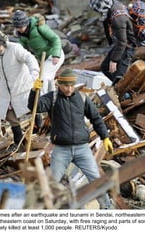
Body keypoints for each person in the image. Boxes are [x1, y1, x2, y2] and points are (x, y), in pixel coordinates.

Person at [27, 68, 114, 209]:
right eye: (66, 85)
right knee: (52, 182)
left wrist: (105, 137)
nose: (69, 89)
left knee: (96, 179)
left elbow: (96, 118)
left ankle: (106, 208)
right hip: (61, 149)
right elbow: (34, 107)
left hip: (82, 149)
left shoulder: (83, 98)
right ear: (59, 84)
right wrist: (34, 92)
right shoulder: (52, 98)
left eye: (72, 85)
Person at [0, 33, 40, 151]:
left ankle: (37, 120)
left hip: (22, 84)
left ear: (3, 44)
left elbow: (29, 58)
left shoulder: (15, 48)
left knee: (30, 106)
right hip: (7, 89)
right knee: (9, 114)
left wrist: (34, 71)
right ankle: (18, 139)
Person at [12, 10, 65, 95]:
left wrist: (56, 55)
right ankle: (52, 101)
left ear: (26, 23)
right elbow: (21, 50)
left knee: (42, 77)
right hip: (44, 59)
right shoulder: (22, 37)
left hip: (54, 55)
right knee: (50, 79)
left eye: (21, 27)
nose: (19, 30)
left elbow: (56, 39)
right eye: (17, 28)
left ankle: (42, 100)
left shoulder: (39, 27)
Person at [89, 0, 137, 85]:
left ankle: (125, 88)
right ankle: (119, 84)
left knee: (119, 78)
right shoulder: (113, 5)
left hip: (128, 46)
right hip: (120, 43)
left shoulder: (118, 19)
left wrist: (114, 60)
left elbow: (123, 42)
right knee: (105, 67)